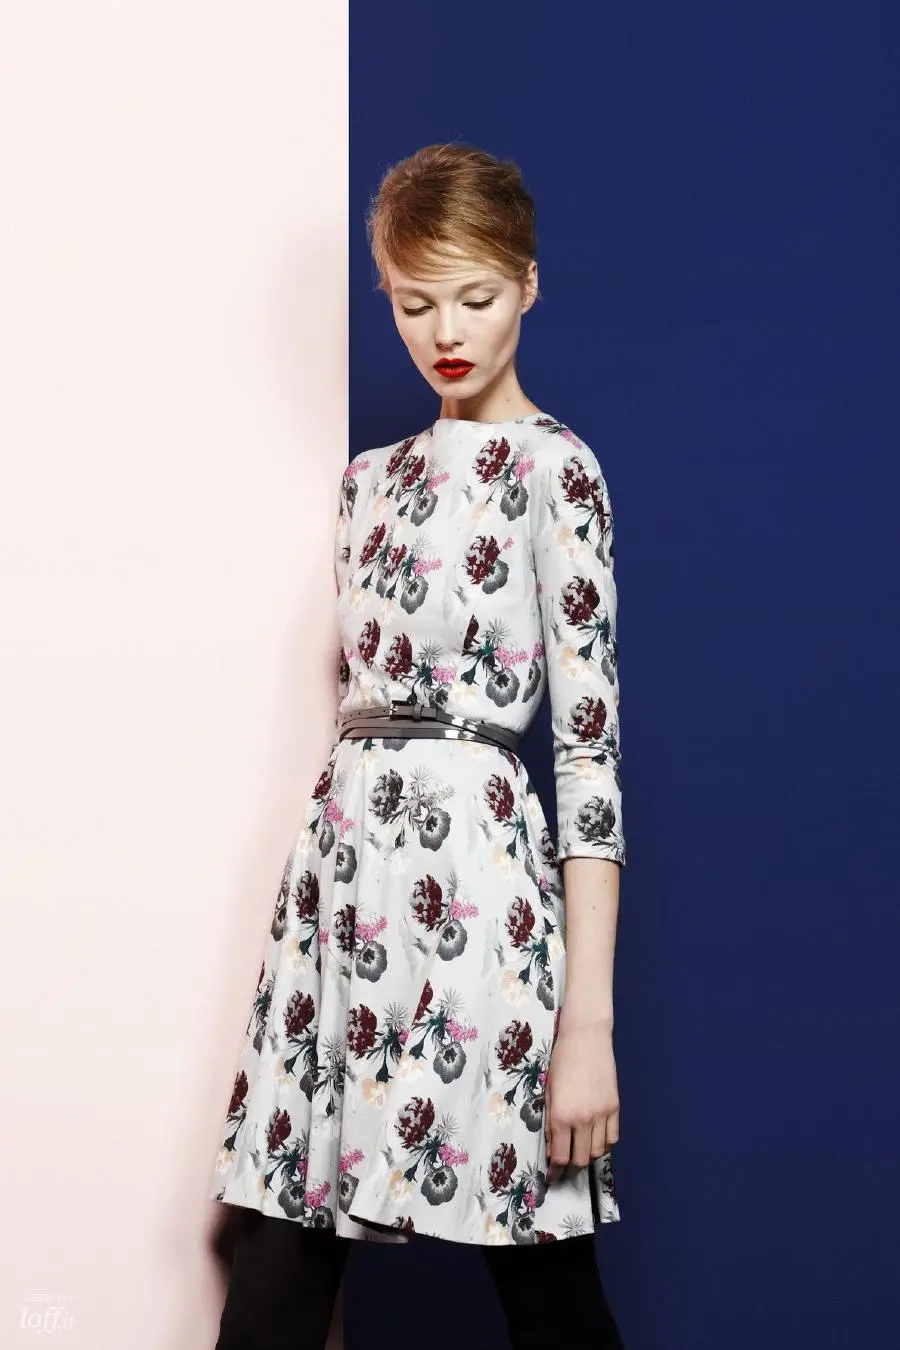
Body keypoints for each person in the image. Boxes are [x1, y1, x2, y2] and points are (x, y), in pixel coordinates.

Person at [208, 142, 628, 1350]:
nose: (445, 331)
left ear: (529, 285)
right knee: (274, 1272)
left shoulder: (559, 474)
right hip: (340, 898)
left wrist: (586, 1028)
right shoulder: (366, 484)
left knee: (547, 1290)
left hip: (477, 907)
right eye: (412, 302)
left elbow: (588, 762)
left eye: (476, 297)